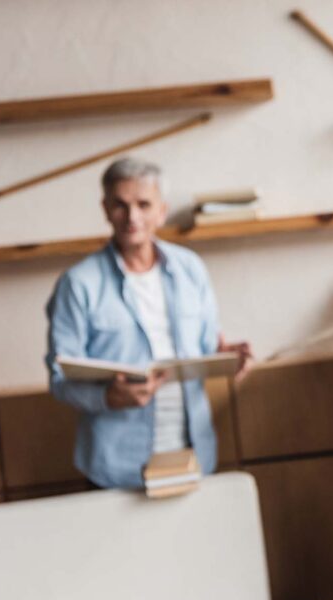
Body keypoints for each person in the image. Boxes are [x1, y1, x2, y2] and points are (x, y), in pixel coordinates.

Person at [45, 157, 252, 489]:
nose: (132, 217)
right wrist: (108, 398)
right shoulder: (78, 283)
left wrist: (226, 355)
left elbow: (206, 346)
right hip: (115, 468)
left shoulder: (191, 269)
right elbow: (59, 379)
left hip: (193, 455)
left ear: (162, 210)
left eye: (143, 204)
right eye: (121, 205)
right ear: (105, 208)